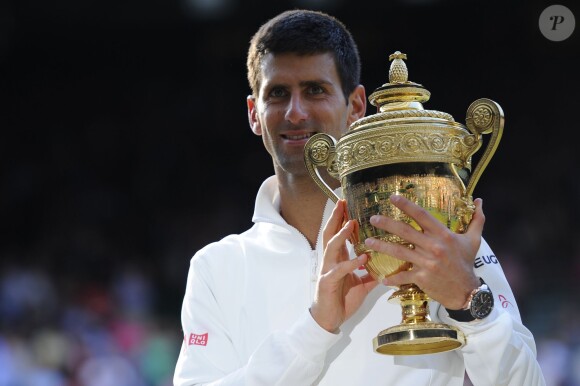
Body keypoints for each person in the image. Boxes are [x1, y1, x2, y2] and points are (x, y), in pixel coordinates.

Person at [174, 9, 545, 386]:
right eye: (278, 93)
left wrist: (468, 300)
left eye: (315, 90)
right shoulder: (216, 267)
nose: (296, 112)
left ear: (355, 106)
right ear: (255, 113)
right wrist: (316, 328)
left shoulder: (435, 235)